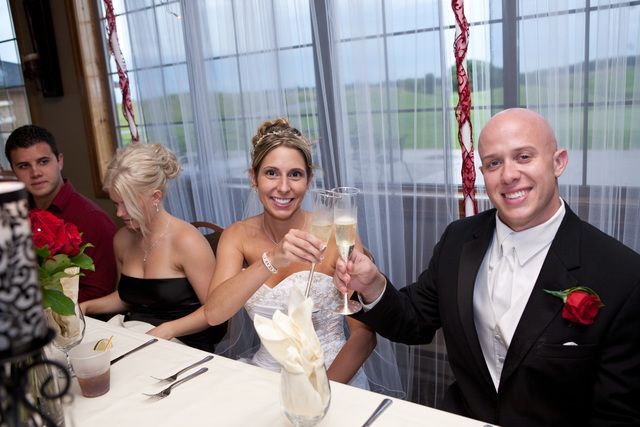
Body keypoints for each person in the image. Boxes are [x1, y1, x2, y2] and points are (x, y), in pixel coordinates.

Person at [335, 108, 640, 425]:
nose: (508, 175)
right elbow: (413, 321)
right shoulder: (459, 240)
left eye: (523, 157)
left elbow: (617, 415)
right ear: (483, 172)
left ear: (558, 161)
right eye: (494, 163)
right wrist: (372, 286)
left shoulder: (622, 275)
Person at [204, 118, 375, 387]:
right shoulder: (236, 236)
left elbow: (364, 336)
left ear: (308, 181)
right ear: (253, 178)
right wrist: (270, 261)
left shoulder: (336, 235)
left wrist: (318, 393)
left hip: (332, 378)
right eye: (271, 173)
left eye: (295, 174)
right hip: (265, 379)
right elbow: (214, 314)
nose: (283, 187)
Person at [80, 143, 226, 353]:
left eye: (126, 204)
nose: (120, 213)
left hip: (184, 346)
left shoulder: (187, 241)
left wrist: (167, 331)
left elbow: (216, 312)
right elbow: (127, 297)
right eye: (115, 204)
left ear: (155, 197)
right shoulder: (122, 239)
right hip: (134, 336)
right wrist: (86, 307)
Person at [5, 125, 116, 302]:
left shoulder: (92, 219)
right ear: (13, 171)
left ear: (60, 161)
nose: (35, 173)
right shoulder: (13, 214)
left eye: (43, 161)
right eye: (24, 166)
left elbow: (99, 293)